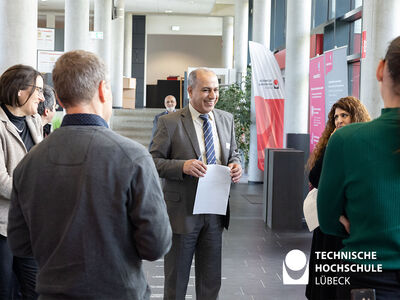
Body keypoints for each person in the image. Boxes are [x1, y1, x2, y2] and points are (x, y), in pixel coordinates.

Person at [7, 50, 172, 299]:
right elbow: (156, 244)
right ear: (103, 89)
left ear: (59, 99)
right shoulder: (133, 157)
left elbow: (20, 243)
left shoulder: (30, 162)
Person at [318, 36, 400, 299]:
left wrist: (359, 223)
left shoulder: (345, 141)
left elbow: (328, 220)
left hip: (368, 277)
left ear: (380, 70)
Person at [150, 68, 242, 300]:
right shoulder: (169, 122)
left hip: (215, 212)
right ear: (190, 91)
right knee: (176, 281)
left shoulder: (225, 119)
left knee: (211, 281)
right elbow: (152, 161)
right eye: (206, 90)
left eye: (216, 90)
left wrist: (236, 165)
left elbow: (234, 154)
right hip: (182, 213)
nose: (212, 95)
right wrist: (182, 166)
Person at [305, 96, 370, 300]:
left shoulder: (364, 144)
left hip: (351, 223)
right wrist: (331, 144)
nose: (339, 120)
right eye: (336, 117)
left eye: (345, 115)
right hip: (329, 221)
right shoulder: (331, 143)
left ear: (355, 117)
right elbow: (315, 177)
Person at [0, 64, 44, 300]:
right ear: (19, 91)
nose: (40, 96)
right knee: (6, 290)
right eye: (37, 89)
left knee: (36, 289)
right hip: (2, 226)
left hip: (29, 226)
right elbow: (1, 181)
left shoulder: (34, 120)